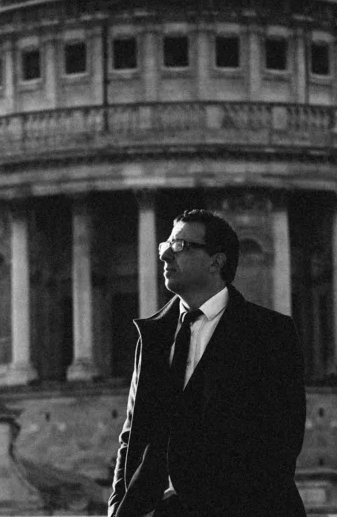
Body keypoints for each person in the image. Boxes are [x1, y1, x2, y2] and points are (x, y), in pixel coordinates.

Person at [108, 209, 306, 517]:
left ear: (216, 262)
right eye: (165, 247)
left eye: (180, 247)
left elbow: (280, 445)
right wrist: (118, 508)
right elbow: (132, 437)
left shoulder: (269, 333)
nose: (165, 257)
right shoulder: (153, 335)